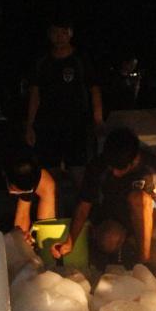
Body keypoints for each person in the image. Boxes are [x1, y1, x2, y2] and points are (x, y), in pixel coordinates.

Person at [52, 127, 156, 265]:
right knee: (108, 240)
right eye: (112, 167)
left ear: (134, 161)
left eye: (120, 169)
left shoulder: (150, 164)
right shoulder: (98, 166)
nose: (115, 172)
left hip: (146, 212)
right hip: (114, 214)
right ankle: (130, 244)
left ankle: (144, 261)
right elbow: (84, 206)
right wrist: (70, 241)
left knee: (139, 198)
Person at [24, 15, 103, 187]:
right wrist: (30, 124)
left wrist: (98, 120)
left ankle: (85, 203)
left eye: (63, 33)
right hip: (48, 124)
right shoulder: (42, 61)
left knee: (78, 169)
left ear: (70, 34)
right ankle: (53, 203)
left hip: (76, 124)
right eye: (55, 33)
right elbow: (35, 93)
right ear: (49, 34)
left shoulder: (81, 59)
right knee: (50, 171)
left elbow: (94, 89)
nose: (59, 37)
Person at [0, 146, 57, 238]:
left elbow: (23, 214)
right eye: (16, 191)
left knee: (47, 186)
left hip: (31, 168)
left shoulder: (35, 174)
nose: (21, 193)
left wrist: (23, 238)